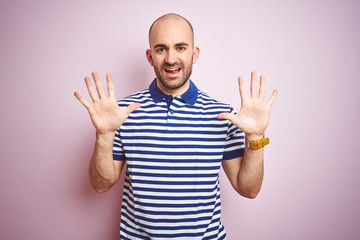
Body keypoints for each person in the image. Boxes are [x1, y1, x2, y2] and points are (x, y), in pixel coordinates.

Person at [74, 13, 277, 240]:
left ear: (194, 53)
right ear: (150, 57)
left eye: (180, 48)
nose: (171, 59)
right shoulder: (121, 113)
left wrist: (256, 136)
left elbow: (248, 189)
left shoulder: (223, 115)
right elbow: (101, 185)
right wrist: (104, 133)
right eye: (161, 49)